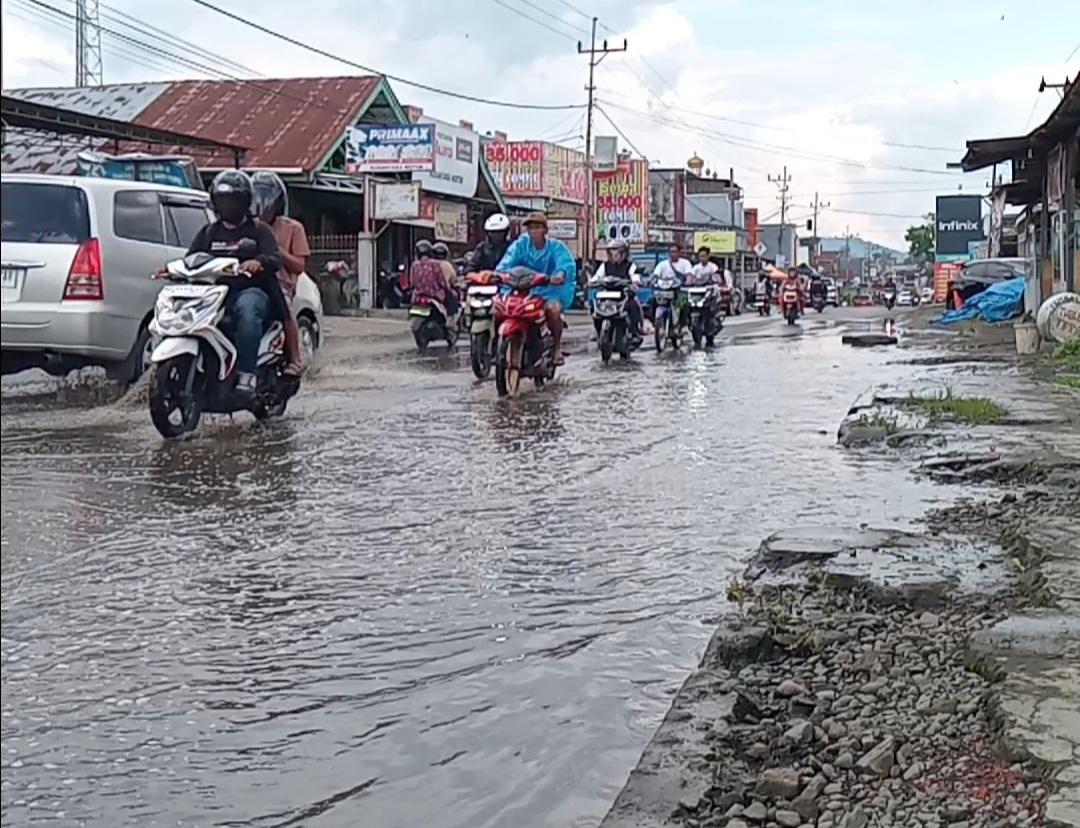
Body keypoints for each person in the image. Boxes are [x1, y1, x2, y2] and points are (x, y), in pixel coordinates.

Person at [175, 170, 285, 398]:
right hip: (214, 294)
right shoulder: (208, 232)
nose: (228, 206)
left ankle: (247, 374)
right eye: (223, 201)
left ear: (245, 202)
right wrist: (171, 269)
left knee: (248, 310)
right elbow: (191, 259)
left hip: (250, 291)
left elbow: (275, 258)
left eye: (233, 201)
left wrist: (258, 262)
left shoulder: (259, 230)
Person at [496, 212, 576, 364]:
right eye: (531, 228)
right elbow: (507, 262)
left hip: (549, 291)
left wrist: (559, 275)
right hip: (524, 291)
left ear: (545, 230)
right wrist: (498, 275)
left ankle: (557, 348)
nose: (534, 231)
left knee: (554, 310)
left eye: (537, 227)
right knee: (498, 307)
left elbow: (565, 264)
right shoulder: (521, 244)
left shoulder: (556, 247)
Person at [250, 171, 308, 376]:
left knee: (284, 308)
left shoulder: (293, 228)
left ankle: (295, 358)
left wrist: (278, 252)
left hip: (280, 283)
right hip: (250, 281)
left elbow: (300, 266)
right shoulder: (247, 226)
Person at [591, 238, 643, 338]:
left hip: (624, 293)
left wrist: (635, 282)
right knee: (594, 306)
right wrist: (591, 282)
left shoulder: (630, 265)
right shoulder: (605, 265)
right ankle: (598, 331)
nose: (614, 255)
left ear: (624, 253)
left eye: (617, 252)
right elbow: (597, 276)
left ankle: (634, 332)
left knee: (633, 306)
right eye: (611, 252)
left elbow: (634, 275)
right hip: (607, 294)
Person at [409, 239, 458, 322]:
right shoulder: (436, 264)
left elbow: (412, 282)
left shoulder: (414, 265)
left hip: (417, 296)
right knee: (453, 296)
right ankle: (451, 322)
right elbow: (442, 281)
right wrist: (448, 289)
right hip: (435, 295)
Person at [431, 241, 461, 321]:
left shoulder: (427, 264)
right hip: (442, 294)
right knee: (453, 296)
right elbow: (454, 280)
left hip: (427, 293)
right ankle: (451, 321)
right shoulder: (447, 265)